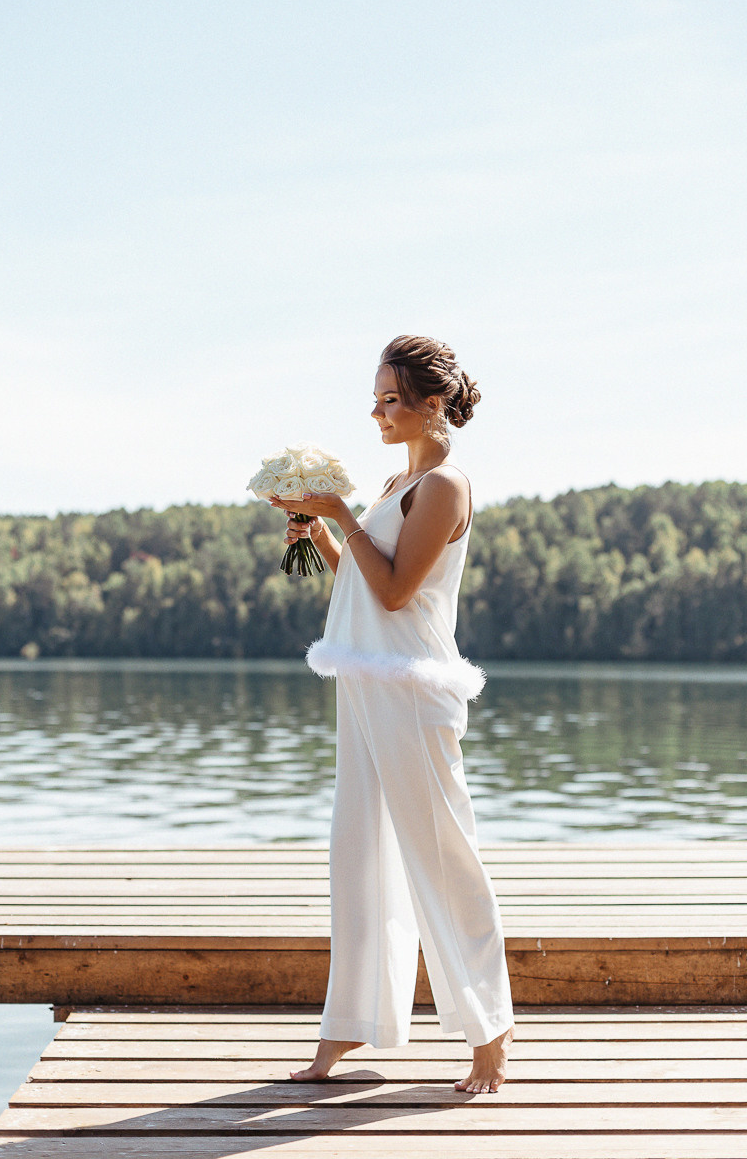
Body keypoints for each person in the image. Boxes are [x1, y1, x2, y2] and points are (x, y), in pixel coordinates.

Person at [269, 335, 515, 1094]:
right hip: (369, 686)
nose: (376, 410)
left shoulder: (445, 484)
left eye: (390, 398)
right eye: (376, 397)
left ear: (433, 402)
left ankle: (491, 1036)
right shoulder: (394, 481)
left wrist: (340, 511)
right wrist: (322, 535)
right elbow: (365, 588)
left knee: (442, 857)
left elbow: (402, 593)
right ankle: (349, 1026)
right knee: (359, 854)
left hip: (414, 692)